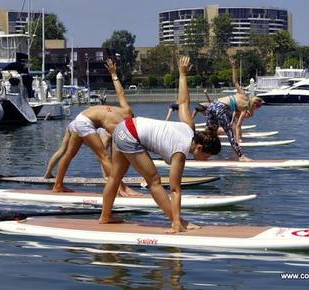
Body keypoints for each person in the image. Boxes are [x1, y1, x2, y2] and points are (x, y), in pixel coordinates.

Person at [99, 56, 221, 233]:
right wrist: (177, 222)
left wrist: (182, 74)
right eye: (207, 157)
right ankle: (177, 222)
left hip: (123, 128)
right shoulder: (180, 152)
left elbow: (183, 102)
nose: (206, 160)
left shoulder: (189, 127)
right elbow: (175, 190)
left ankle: (105, 216)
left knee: (115, 177)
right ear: (200, 148)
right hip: (129, 135)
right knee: (154, 181)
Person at [45, 58, 139, 196]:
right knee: (104, 157)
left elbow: (121, 93)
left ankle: (58, 185)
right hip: (84, 123)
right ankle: (121, 188)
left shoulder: (126, 110)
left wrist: (113, 74)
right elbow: (114, 153)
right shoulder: (117, 126)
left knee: (69, 154)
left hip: (80, 118)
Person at [204, 57, 262, 161]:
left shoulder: (245, 107)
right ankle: (241, 156)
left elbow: (236, 115)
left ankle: (202, 151)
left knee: (210, 132)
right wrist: (234, 67)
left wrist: (231, 122)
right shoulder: (243, 96)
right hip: (220, 108)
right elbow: (235, 81)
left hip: (213, 105)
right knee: (230, 134)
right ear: (255, 103)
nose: (257, 108)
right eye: (258, 106)